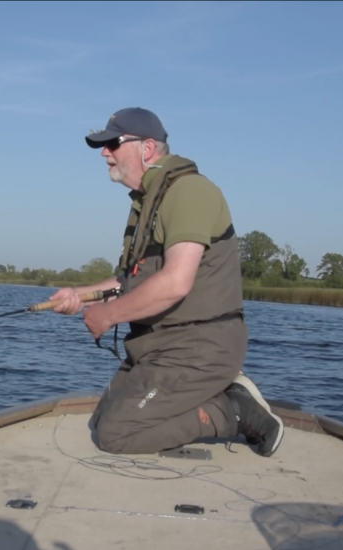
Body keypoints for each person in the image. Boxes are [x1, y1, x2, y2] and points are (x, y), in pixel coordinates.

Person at [49, 107, 285, 457]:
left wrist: (108, 315)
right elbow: (128, 281)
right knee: (100, 422)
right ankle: (221, 391)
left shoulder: (189, 192)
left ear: (146, 149)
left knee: (115, 435)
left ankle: (235, 411)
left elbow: (176, 281)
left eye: (112, 144)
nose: (104, 153)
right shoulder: (146, 202)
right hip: (157, 348)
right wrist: (78, 296)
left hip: (199, 348)